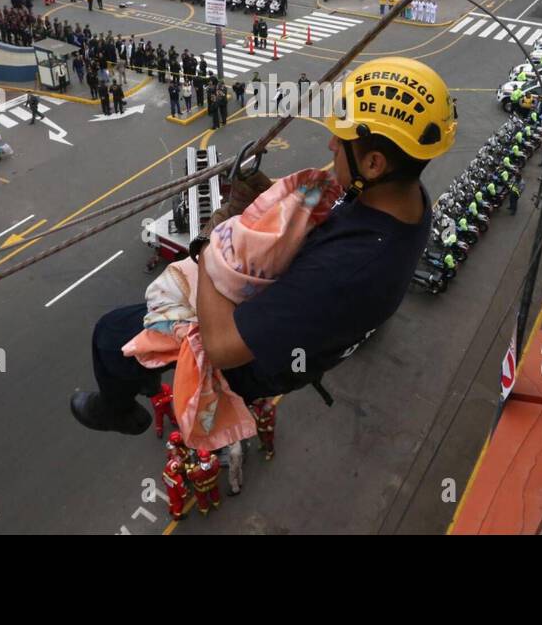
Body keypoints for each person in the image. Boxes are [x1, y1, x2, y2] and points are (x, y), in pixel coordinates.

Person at [71, 56, 456, 436]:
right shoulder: (403, 197)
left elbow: (222, 347)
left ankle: (117, 411)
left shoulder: (348, 272)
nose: (331, 144)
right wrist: (262, 199)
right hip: (293, 323)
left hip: (250, 365)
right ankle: (144, 376)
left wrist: (209, 248)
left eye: (343, 139)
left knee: (110, 336)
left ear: (373, 164)